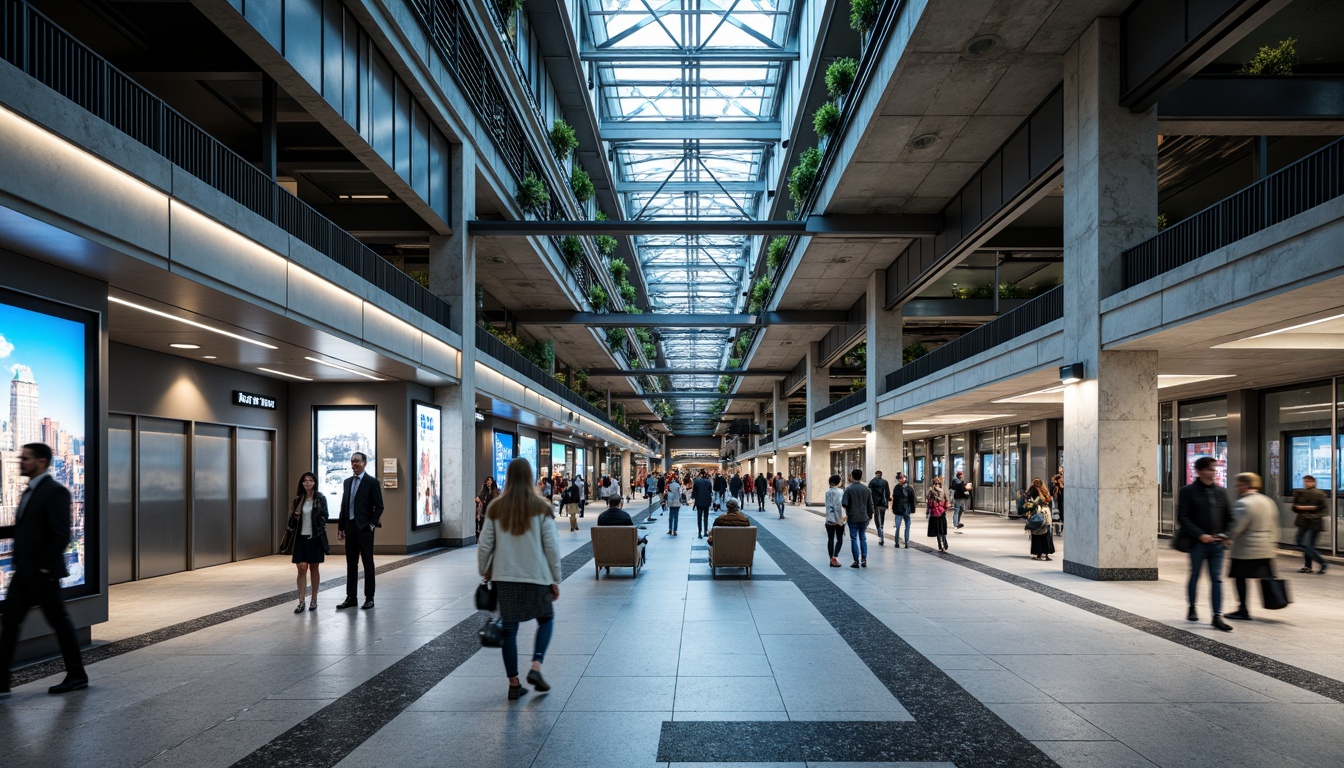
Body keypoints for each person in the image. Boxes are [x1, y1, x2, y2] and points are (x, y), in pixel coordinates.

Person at [0, 443, 88, 695]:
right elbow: (23, 530)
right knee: (11, 623)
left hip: (41, 574)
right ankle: (2, 680)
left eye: (25, 459)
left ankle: (77, 674)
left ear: (41, 462)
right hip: (25, 573)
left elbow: (61, 535)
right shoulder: (30, 491)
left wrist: (43, 568)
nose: (20, 462)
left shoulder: (55, 492)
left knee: (59, 622)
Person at [478, 457, 561, 701]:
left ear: (508, 477)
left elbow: (485, 545)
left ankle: (514, 683)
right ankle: (536, 666)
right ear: (530, 476)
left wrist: (485, 570)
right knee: (546, 618)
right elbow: (551, 547)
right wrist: (555, 578)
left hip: (505, 577)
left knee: (510, 629)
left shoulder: (495, 507)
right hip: (536, 576)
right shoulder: (542, 506)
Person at [1175, 456, 1233, 632]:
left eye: (1214, 469)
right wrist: (1200, 535)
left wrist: (1225, 534)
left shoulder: (1221, 492)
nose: (1213, 473)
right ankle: (1192, 606)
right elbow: (1183, 517)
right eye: (1210, 469)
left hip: (1217, 544)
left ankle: (1217, 615)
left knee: (1216, 579)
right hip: (1197, 543)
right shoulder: (1187, 491)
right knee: (1195, 575)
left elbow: (1230, 518)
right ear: (1199, 472)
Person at [1225, 472, 1280, 622]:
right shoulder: (1268, 501)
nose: (1236, 488)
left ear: (1244, 485)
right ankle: (1276, 599)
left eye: (1237, 485)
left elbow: (1237, 527)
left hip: (1246, 549)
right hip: (1265, 547)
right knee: (1266, 577)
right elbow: (1274, 525)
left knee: (1240, 578)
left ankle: (1243, 609)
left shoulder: (1244, 503)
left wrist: (1226, 538)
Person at [337, 452, 383, 610]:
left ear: (364, 463)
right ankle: (351, 597)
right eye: (352, 461)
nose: (354, 464)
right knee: (351, 564)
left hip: (364, 529)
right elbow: (344, 505)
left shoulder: (372, 482)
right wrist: (341, 527)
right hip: (350, 528)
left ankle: (369, 597)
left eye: (357, 461)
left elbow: (379, 506)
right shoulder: (347, 482)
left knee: (368, 563)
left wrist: (371, 524)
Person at [289, 472, 329, 613]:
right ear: (301, 483)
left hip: (315, 538)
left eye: (310, 480)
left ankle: (314, 599)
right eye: (305, 480)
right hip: (300, 538)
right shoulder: (298, 500)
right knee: (301, 568)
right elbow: (292, 519)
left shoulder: (320, 498)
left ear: (314, 483)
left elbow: (325, 515)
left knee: (314, 568)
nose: (307, 483)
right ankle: (301, 600)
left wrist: (319, 524)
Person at [598, 496, 647, 568]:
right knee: (643, 540)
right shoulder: (625, 516)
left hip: (607, 550)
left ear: (609, 503)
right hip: (625, 551)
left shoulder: (601, 517)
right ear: (619, 504)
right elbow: (632, 534)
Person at [1292, 475, 1328, 574]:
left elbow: (1324, 509)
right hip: (1304, 522)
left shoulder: (1320, 494)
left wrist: (1310, 511)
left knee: (1308, 545)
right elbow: (1294, 507)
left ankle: (1320, 563)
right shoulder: (1300, 493)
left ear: (1314, 482)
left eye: (1309, 481)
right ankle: (1310, 565)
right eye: (1305, 481)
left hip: (1314, 523)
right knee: (1302, 544)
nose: (1306, 483)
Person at [841, 468, 873, 568]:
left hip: (852, 517)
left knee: (853, 538)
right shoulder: (867, 490)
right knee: (863, 537)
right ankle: (864, 559)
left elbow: (844, 503)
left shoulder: (848, 489)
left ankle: (856, 561)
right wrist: (869, 517)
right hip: (864, 517)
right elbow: (870, 505)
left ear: (852, 476)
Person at [1024, 477, 1054, 561]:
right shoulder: (1045, 492)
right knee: (1046, 534)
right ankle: (1046, 553)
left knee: (1036, 534)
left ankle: (1037, 553)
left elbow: (1028, 501)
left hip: (1037, 514)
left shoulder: (1033, 490)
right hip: (1047, 514)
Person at [824, 474, 846, 567]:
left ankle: (830, 558)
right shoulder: (840, 492)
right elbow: (838, 506)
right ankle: (835, 557)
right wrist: (840, 520)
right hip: (838, 518)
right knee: (839, 538)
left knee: (830, 539)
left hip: (829, 518)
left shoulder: (827, 492)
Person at [892, 472, 916, 548]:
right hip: (901, 509)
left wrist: (912, 509)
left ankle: (906, 541)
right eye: (900, 478)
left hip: (905, 508)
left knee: (906, 525)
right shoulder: (898, 488)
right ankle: (898, 542)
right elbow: (895, 499)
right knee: (899, 526)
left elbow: (912, 500)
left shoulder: (908, 488)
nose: (901, 480)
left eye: (902, 478)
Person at [926, 476, 949, 552]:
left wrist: (928, 512)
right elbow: (946, 502)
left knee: (937, 530)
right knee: (942, 528)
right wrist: (945, 508)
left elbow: (929, 504)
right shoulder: (943, 491)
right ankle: (944, 541)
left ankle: (940, 544)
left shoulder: (931, 492)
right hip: (942, 513)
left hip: (934, 514)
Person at [868, 470, 891, 546]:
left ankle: (880, 533)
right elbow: (887, 493)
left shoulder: (872, 482)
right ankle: (881, 528)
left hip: (875, 503)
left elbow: (869, 493)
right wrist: (887, 500)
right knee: (882, 517)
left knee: (877, 518)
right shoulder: (885, 482)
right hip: (883, 503)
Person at [692, 469, 714, 538]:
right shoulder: (708, 482)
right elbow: (710, 491)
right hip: (706, 501)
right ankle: (705, 532)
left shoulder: (697, 482)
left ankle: (699, 532)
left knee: (699, 517)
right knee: (706, 517)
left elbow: (694, 491)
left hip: (699, 501)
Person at [476, 476, 498, 541]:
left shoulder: (496, 492)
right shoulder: (484, 492)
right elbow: (479, 499)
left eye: (490, 480)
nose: (488, 482)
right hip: (485, 511)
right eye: (487, 480)